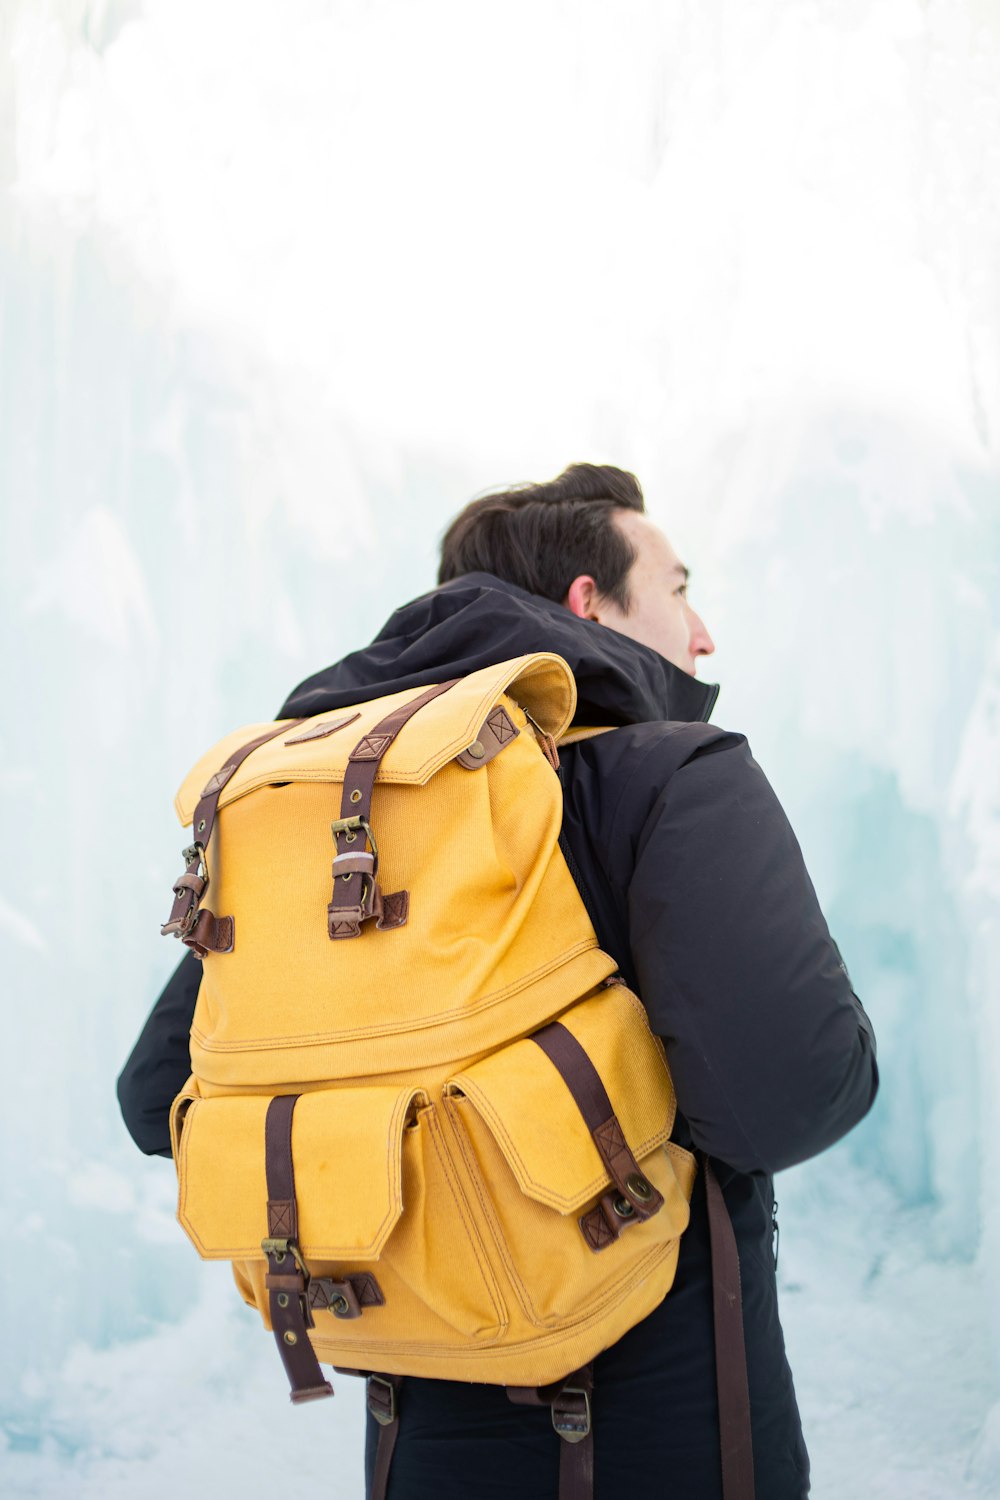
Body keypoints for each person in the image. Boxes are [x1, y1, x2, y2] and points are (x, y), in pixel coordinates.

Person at [118, 462, 878, 1499]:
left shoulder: (311, 813)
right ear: (587, 602)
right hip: (667, 1440)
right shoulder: (667, 776)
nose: (701, 634)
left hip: (414, 1439)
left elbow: (154, 1095)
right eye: (678, 588)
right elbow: (788, 1097)